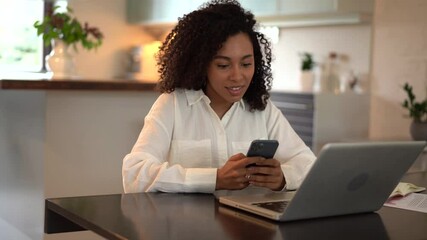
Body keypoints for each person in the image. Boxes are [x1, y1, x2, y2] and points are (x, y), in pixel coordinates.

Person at [122, 0, 316, 193]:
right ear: (201, 64)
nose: (237, 76)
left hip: (248, 223)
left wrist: (283, 177)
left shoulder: (262, 108)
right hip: (186, 222)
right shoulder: (173, 104)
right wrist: (214, 179)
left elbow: (308, 164)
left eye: (246, 64)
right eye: (223, 66)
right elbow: (135, 173)